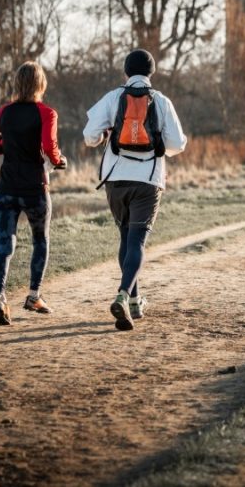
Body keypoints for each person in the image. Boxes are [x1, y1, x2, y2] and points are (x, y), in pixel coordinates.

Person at [83, 49, 187, 331]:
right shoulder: (161, 101)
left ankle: (134, 302)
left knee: (125, 237)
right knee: (137, 242)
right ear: (152, 72)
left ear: (126, 72)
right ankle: (123, 294)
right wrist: (160, 144)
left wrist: (106, 135)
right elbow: (177, 144)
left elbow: (89, 136)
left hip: (115, 179)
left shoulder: (112, 97)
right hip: (148, 180)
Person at [0, 61, 67, 326]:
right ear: (41, 84)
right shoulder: (47, 113)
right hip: (34, 190)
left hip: (5, 190)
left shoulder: (4, 112)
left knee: (5, 246)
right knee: (40, 240)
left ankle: (0, 297)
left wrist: (10, 144)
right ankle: (33, 296)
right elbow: (50, 148)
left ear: (17, 83)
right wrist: (60, 160)